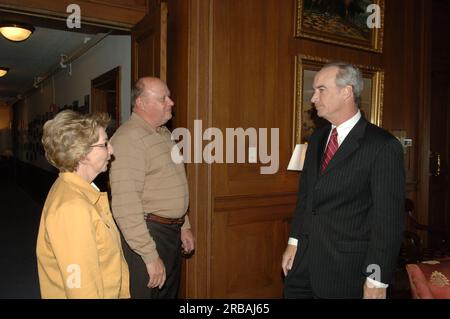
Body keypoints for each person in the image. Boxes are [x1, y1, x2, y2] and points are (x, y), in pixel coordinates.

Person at [282, 62, 405, 299]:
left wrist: (377, 279)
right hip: (303, 266)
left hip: (347, 272)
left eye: (321, 90)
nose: (313, 98)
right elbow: (306, 198)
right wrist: (294, 241)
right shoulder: (317, 139)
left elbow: (387, 221)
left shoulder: (382, 146)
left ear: (346, 91)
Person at [109, 77, 195, 299]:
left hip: (170, 234)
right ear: (141, 103)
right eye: (163, 98)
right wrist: (149, 255)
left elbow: (172, 183)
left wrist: (183, 225)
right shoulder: (128, 139)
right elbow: (125, 206)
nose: (171, 102)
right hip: (148, 234)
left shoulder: (163, 134)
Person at [36, 110, 130, 299]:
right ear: (82, 153)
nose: (111, 150)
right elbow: (82, 289)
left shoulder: (81, 191)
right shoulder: (72, 208)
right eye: (104, 144)